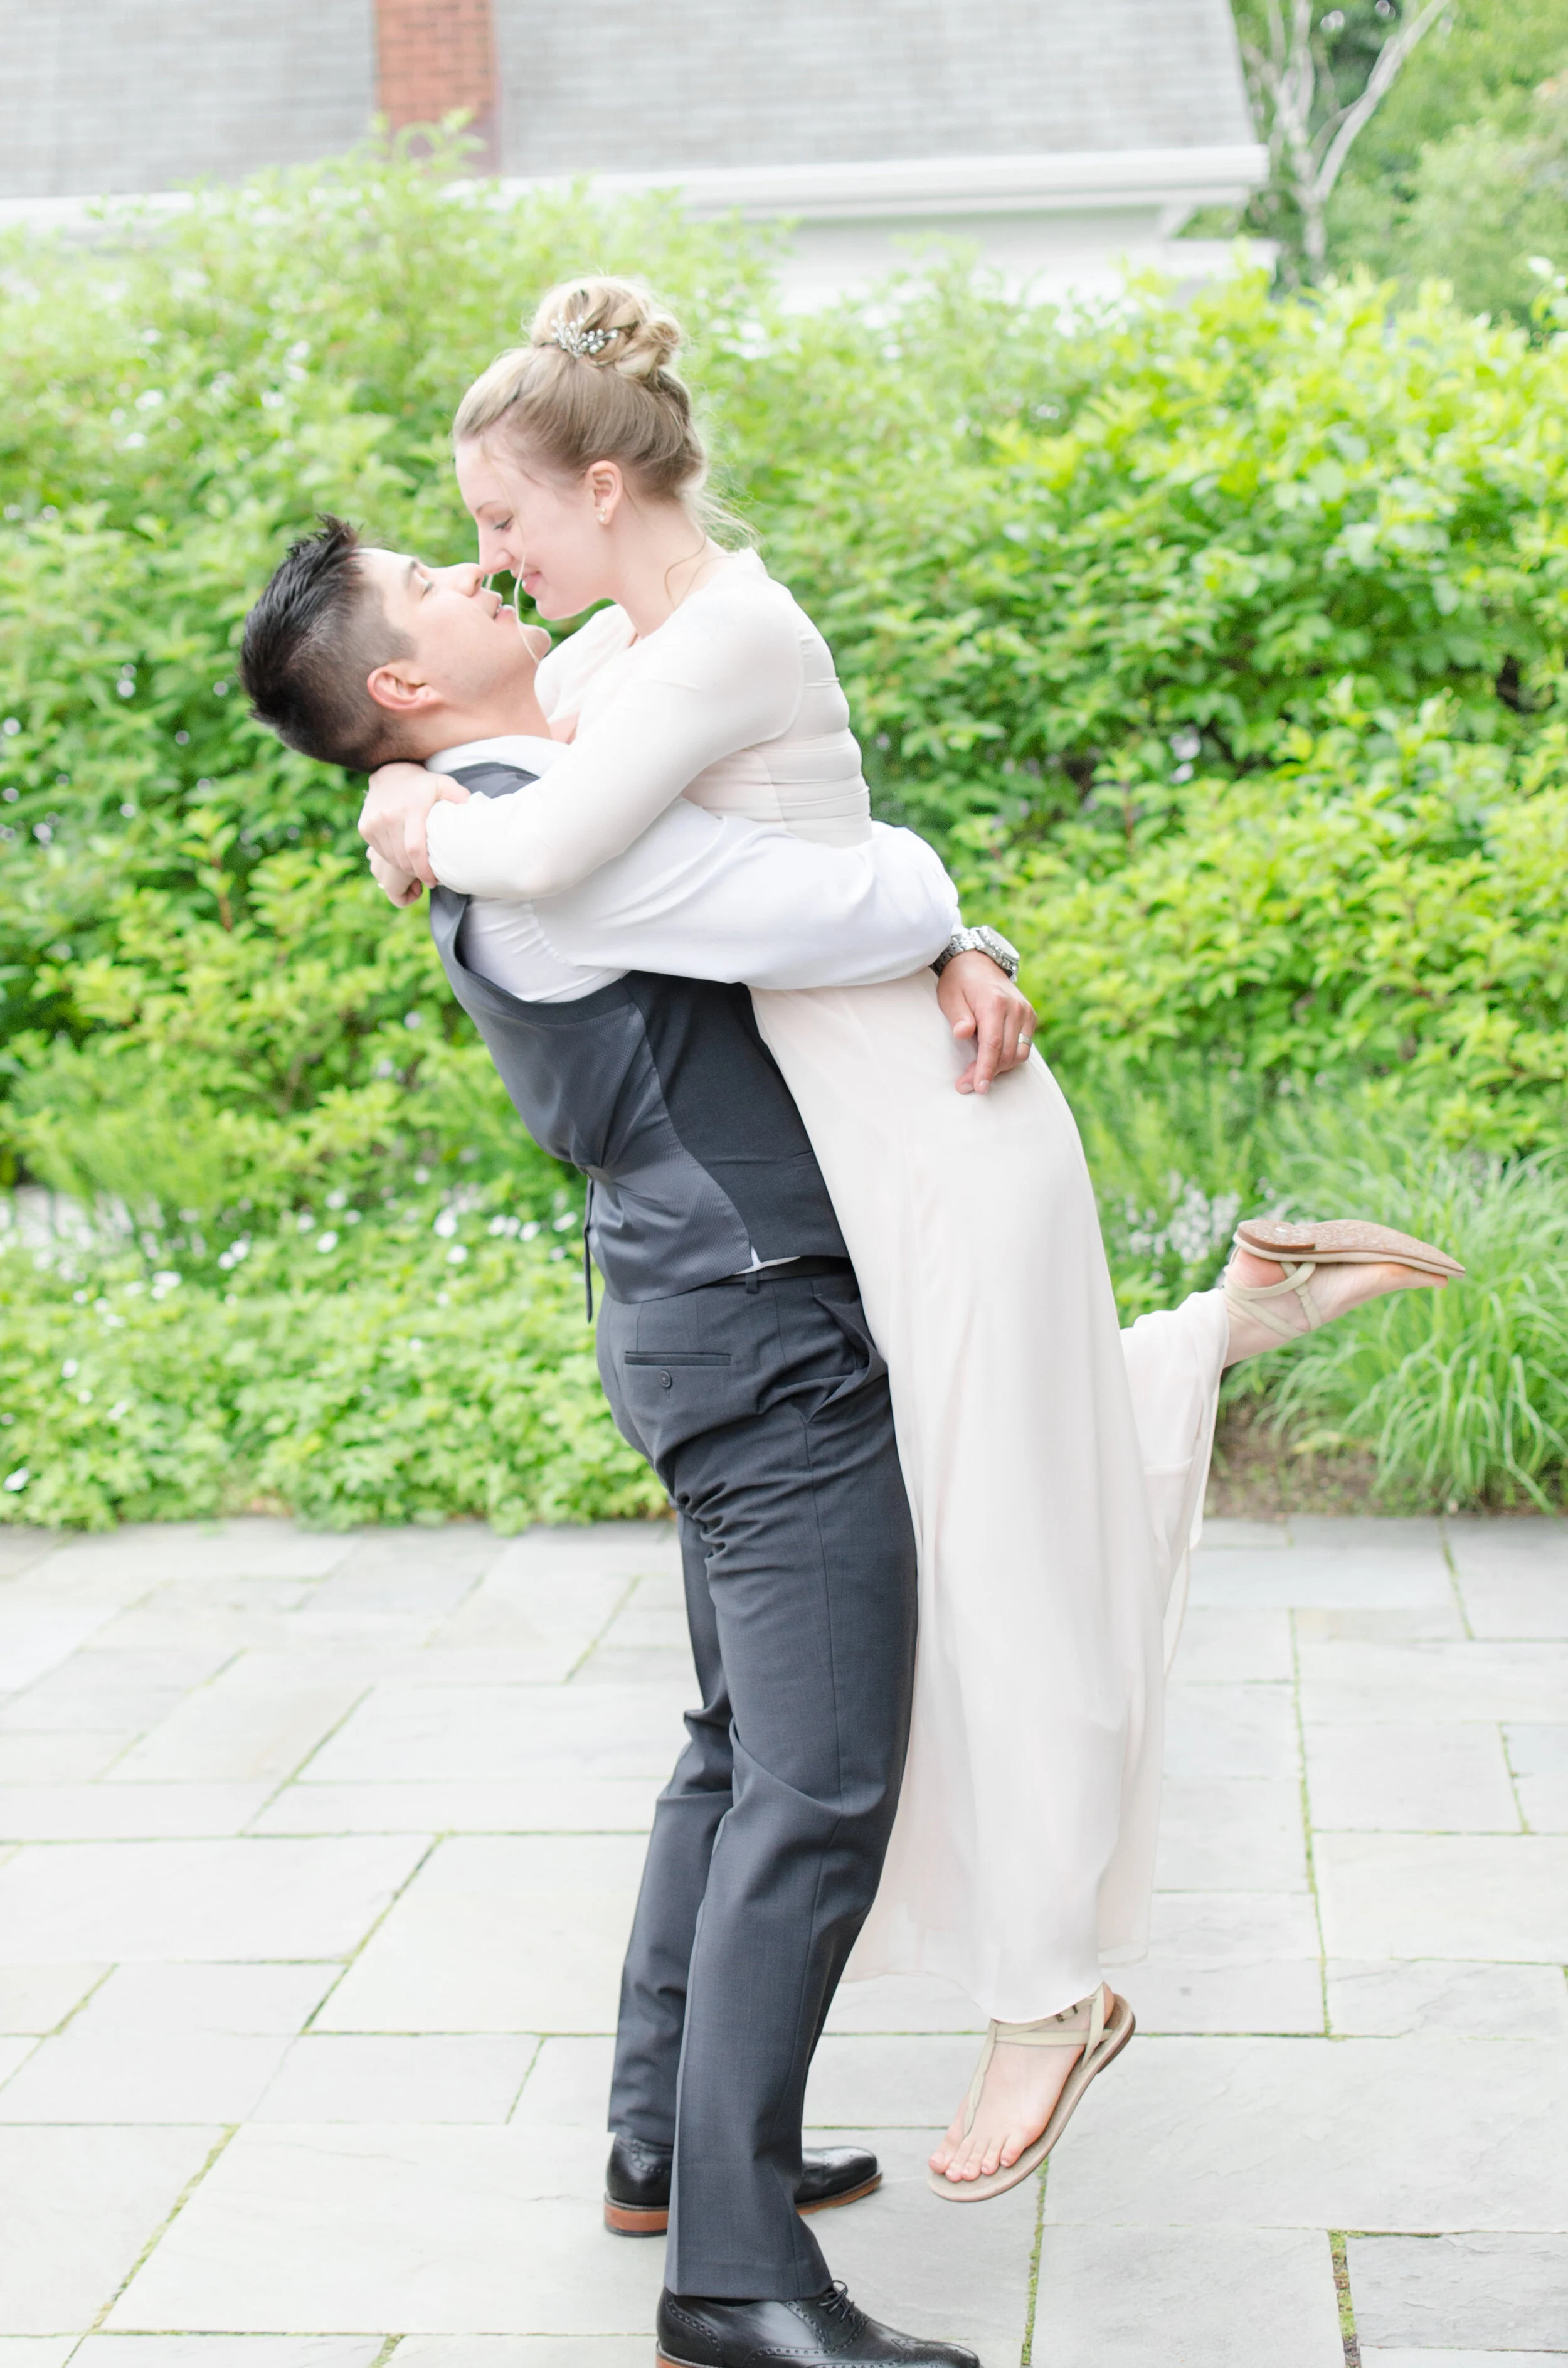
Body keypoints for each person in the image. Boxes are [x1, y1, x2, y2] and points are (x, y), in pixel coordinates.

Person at [356, 277, 1461, 2224]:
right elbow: (785, 859)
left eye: (503, 521)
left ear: (606, 487)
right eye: (471, 548)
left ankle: (1046, 1995)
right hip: (868, 1130)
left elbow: (701, 859)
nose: (488, 559)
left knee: (1004, 1541)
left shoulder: (706, 644)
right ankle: (1232, 1317)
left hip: (923, 1127)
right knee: (993, 1496)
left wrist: (410, 799)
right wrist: (424, 776)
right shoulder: (631, 647)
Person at [239, 516, 1009, 2367]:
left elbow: (779, 868)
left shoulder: (527, 793)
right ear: (405, 691)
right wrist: (949, 911)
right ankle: (735, 2279)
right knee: (815, 1785)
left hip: (699, 1308)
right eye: (429, 578)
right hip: (759, 1327)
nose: (468, 569)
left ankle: (666, 2144)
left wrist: (950, 933)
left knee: (737, 1743)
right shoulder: (549, 842)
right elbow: (855, 896)